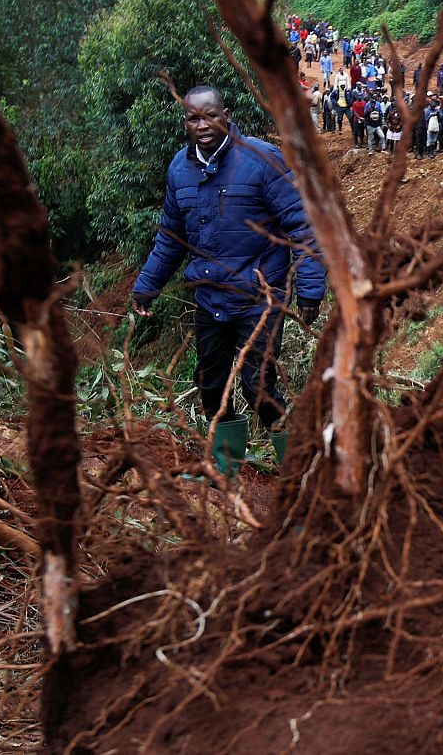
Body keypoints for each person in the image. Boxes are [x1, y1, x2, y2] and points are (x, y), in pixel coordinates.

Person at [131, 86, 325, 475]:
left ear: (226, 115)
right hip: (210, 298)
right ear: (185, 121)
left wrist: (310, 289)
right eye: (193, 118)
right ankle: (226, 472)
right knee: (210, 384)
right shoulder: (179, 169)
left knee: (259, 386)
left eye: (210, 116)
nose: (202, 125)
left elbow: (303, 226)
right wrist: (146, 287)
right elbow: (171, 238)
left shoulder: (261, 160)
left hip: (259, 297)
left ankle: (297, 473)